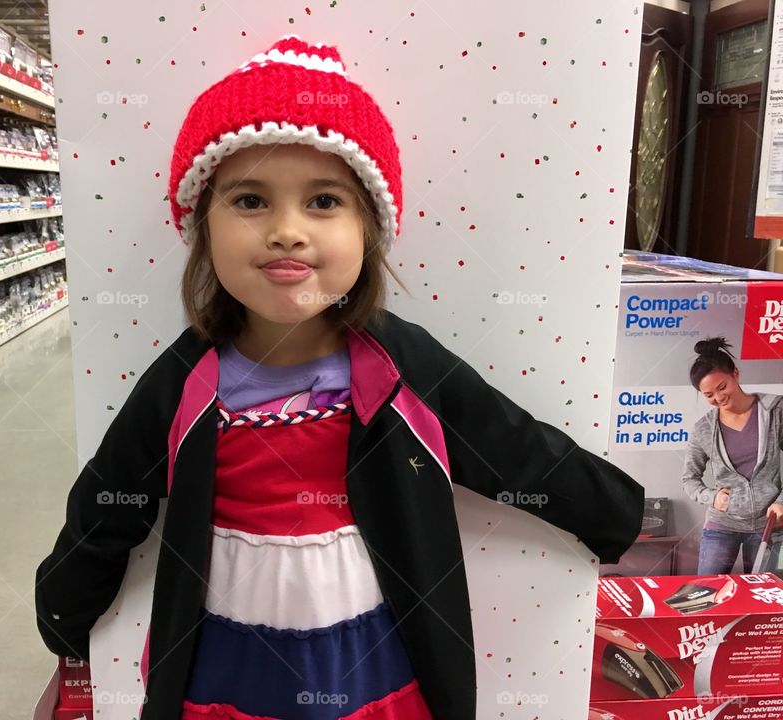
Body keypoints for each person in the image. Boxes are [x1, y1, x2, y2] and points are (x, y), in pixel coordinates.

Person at [35, 35, 644, 720]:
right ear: (203, 225)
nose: (287, 231)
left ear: (368, 230)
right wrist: (65, 613)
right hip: (222, 657)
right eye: (250, 201)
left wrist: (621, 513)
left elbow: (511, 446)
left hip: (371, 650)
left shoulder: (401, 366)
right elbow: (111, 498)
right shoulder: (184, 381)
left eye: (323, 201)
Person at [681, 337, 783, 575]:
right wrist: (711, 497)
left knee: (765, 598)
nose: (718, 398)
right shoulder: (703, 428)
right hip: (721, 525)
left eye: (722, 387)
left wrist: (781, 502)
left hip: (768, 525)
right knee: (707, 593)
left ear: (735, 374)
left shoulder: (775, 410)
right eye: (708, 395)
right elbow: (689, 479)